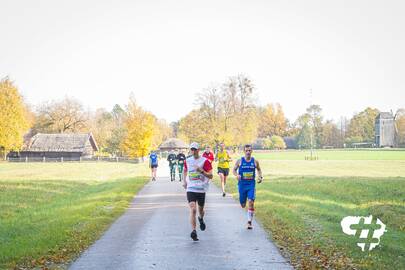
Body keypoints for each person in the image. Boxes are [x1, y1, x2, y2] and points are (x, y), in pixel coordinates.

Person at [182, 142, 213, 241]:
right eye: (192, 149)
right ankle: (194, 231)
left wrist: (201, 171)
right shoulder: (187, 160)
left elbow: (211, 176)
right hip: (190, 188)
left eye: (195, 149)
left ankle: (200, 218)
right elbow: (185, 170)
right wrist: (184, 181)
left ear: (198, 150)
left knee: (200, 210)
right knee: (193, 209)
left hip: (201, 189)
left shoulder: (205, 161)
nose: (193, 151)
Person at [233, 144, 263, 230]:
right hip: (242, 185)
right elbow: (234, 170)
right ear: (244, 151)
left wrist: (260, 177)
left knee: (251, 202)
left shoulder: (255, 161)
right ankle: (243, 202)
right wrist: (236, 175)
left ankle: (249, 222)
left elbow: (259, 169)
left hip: (251, 185)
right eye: (246, 151)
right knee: (243, 205)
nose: (248, 152)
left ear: (252, 151)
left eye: (249, 150)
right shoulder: (240, 161)